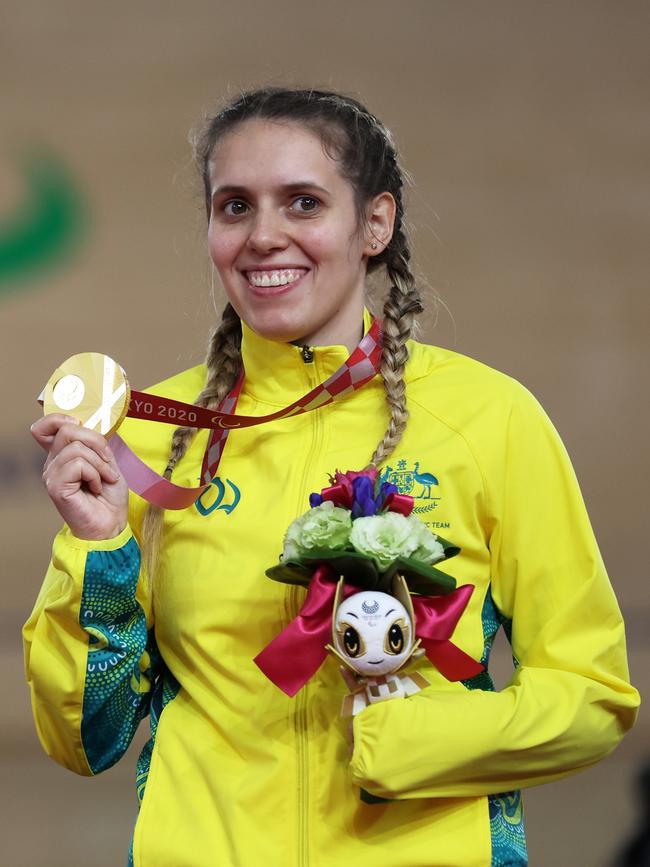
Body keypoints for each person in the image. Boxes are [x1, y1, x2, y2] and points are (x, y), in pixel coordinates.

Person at [25, 88, 639, 867]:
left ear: (374, 224)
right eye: (235, 206)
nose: (263, 236)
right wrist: (97, 549)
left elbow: (591, 695)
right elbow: (86, 739)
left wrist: (407, 743)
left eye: (303, 202)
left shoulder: (490, 419)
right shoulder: (152, 439)